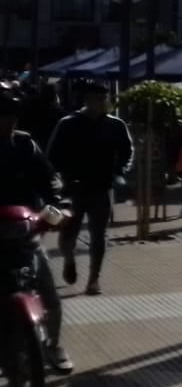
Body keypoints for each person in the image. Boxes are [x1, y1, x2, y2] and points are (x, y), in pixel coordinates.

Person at [0, 92, 74, 373]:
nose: (7, 122)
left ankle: (53, 345)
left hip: (25, 234)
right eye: (2, 116)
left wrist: (60, 208)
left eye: (11, 116)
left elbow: (51, 181)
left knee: (49, 296)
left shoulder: (25, 145)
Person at [47, 82, 133, 296]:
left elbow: (127, 151)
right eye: (98, 98)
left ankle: (94, 279)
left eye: (105, 98)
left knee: (99, 235)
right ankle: (68, 259)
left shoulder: (115, 125)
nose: (103, 103)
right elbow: (53, 156)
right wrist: (57, 181)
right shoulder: (68, 123)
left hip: (102, 187)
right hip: (73, 188)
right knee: (69, 232)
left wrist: (120, 170)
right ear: (87, 100)